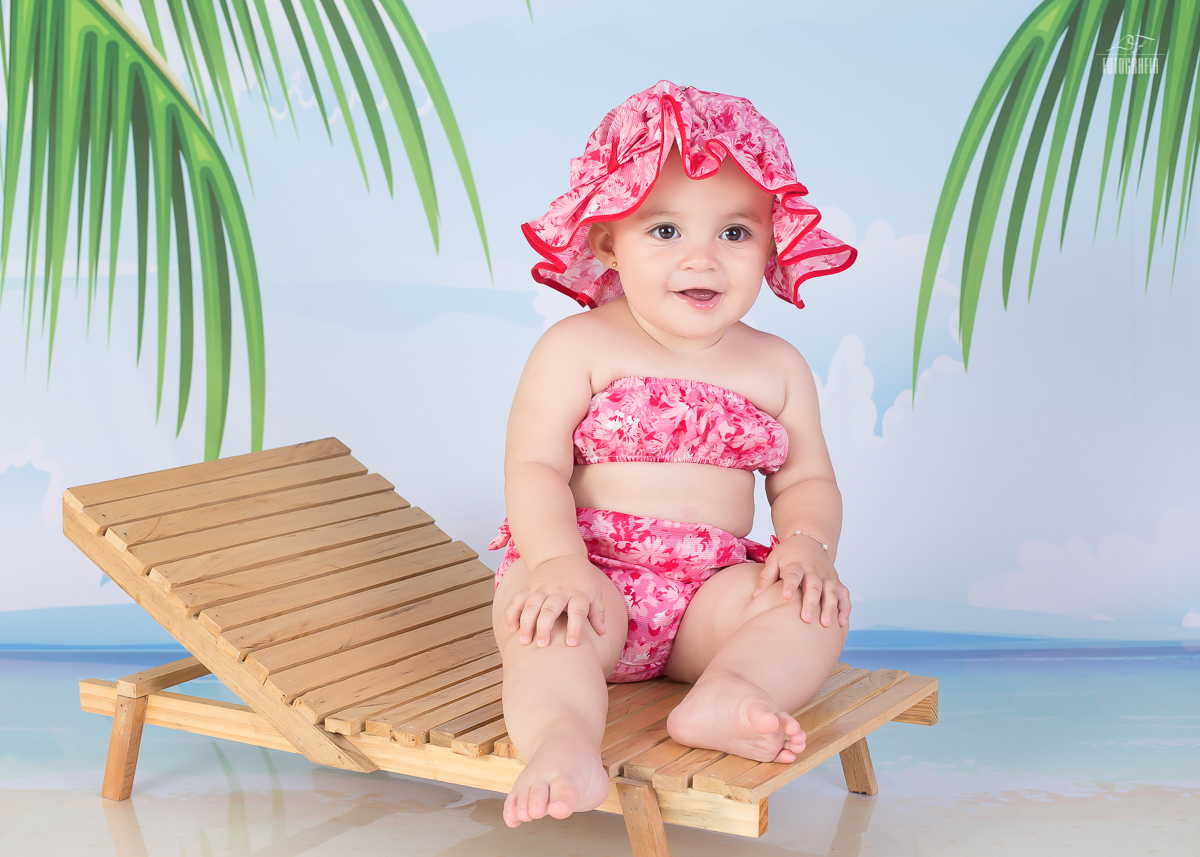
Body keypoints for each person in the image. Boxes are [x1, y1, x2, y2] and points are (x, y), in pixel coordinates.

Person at [487, 80, 859, 829]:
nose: (702, 259)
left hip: (708, 598)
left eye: (734, 233)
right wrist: (557, 561)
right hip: (590, 578)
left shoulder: (777, 365)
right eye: (664, 230)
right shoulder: (578, 346)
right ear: (607, 242)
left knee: (813, 607)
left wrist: (808, 546)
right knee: (545, 630)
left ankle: (729, 691)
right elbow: (534, 466)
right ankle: (563, 740)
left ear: (772, 241)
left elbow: (808, 480)